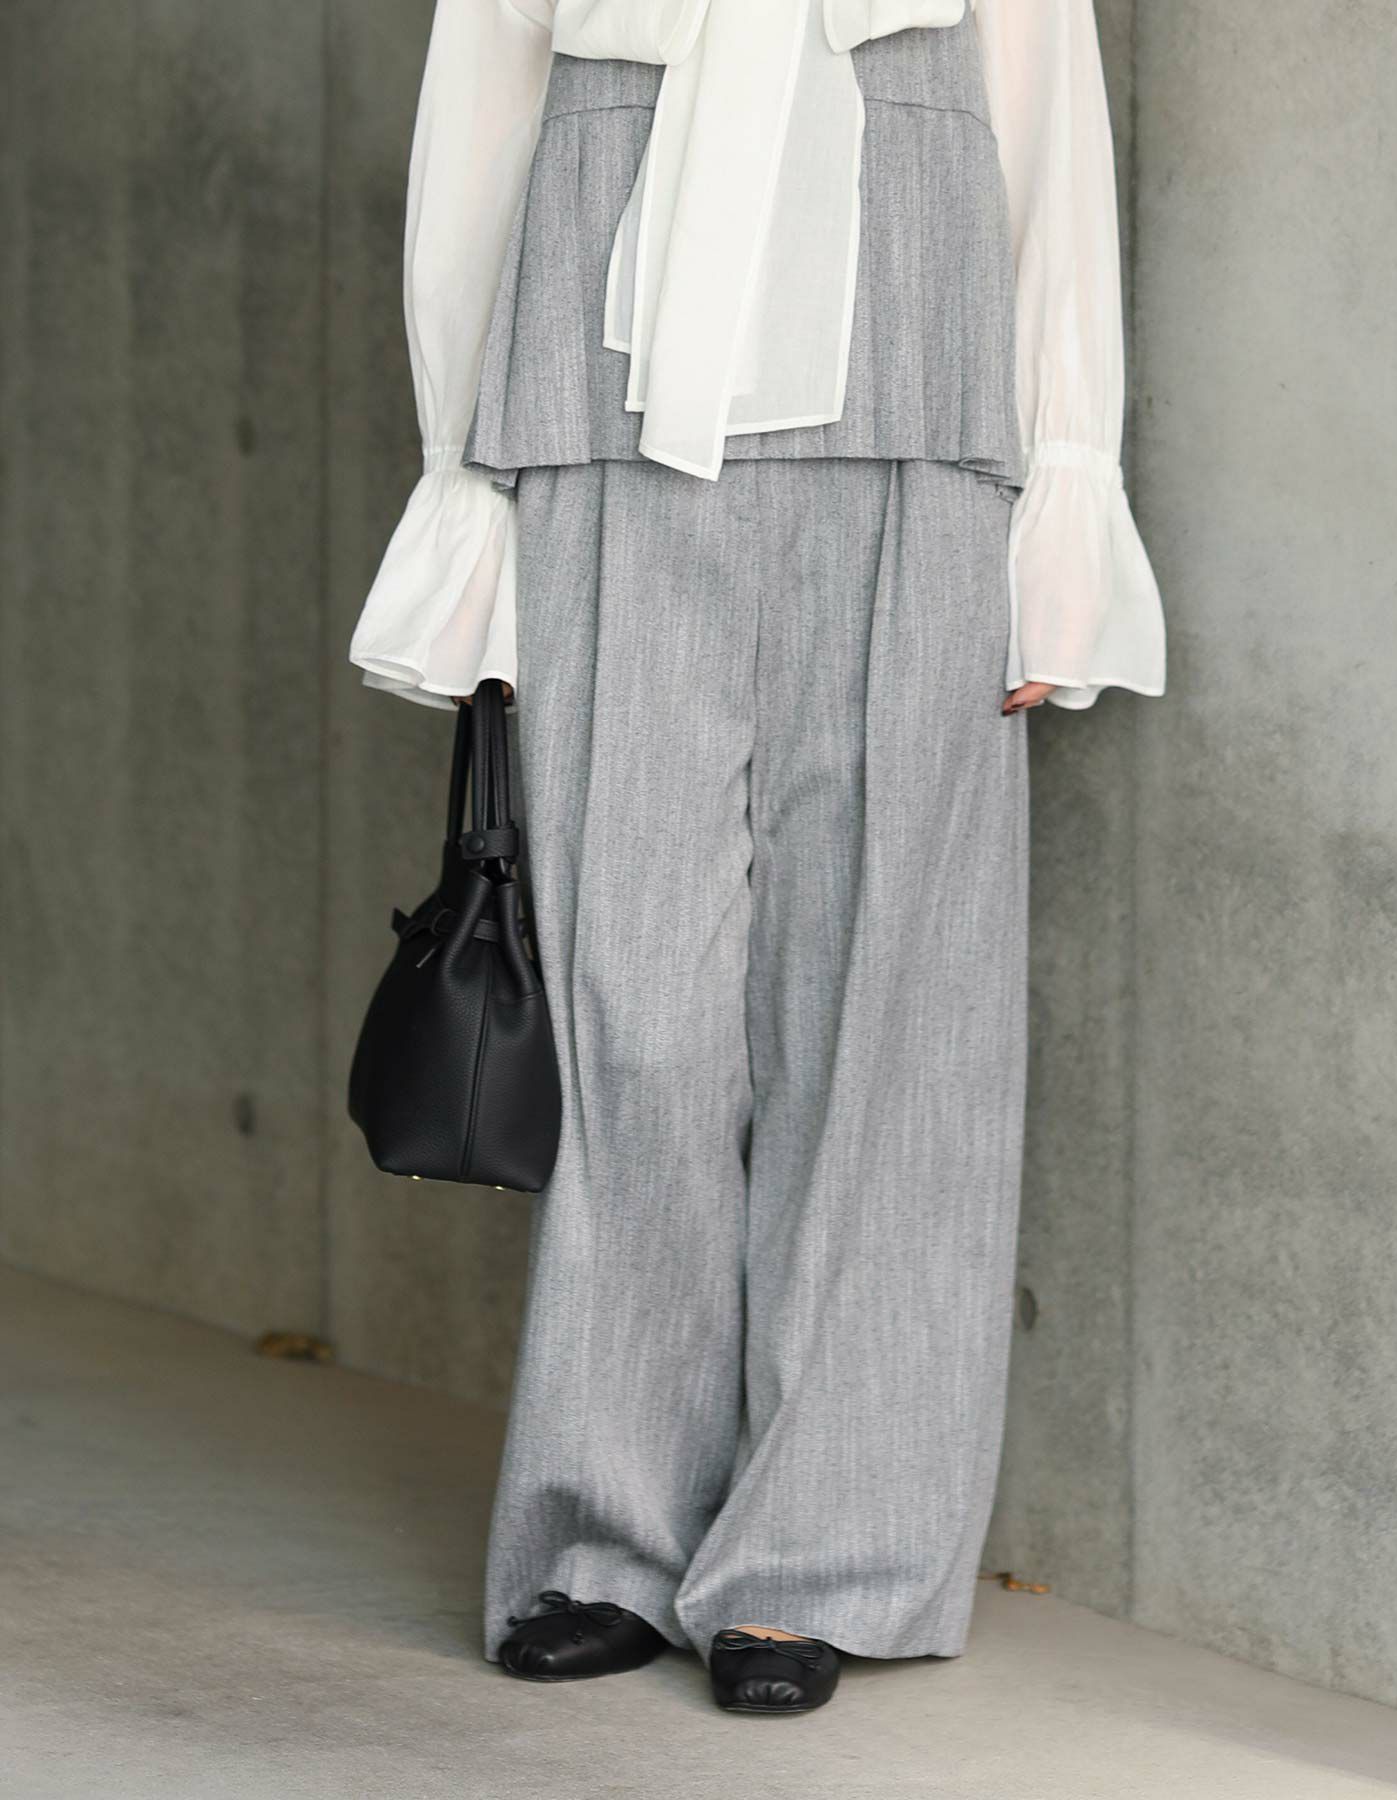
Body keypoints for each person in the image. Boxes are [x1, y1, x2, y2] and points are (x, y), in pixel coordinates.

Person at [349, 0, 1164, 1717]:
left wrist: (1066, 500)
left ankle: (818, 1560)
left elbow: (1049, 147)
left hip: (916, 427)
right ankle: (602, 1540)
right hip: (601, 430)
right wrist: (462, 490)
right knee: (629, 1011)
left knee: (880, 1032)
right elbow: (478, 134)